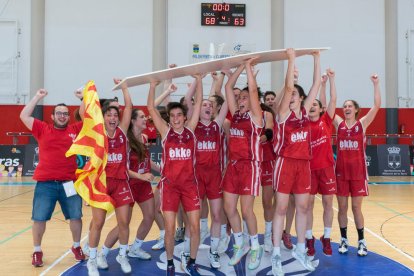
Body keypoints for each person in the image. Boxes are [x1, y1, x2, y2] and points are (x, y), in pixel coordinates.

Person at [20, 89, 85, 267]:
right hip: (46, 184)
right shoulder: (42, 129)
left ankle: (77, 246)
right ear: (53, 116)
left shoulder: (75, 130)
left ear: (68, 117)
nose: (62, 116)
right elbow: (24, 115)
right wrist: (37, 97)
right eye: (59, 113)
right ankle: (37, 250)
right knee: (39, 218)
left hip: (69, 183)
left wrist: (83, 98)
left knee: (76, 216)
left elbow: (89, 117)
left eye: (65, 113)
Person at [147, 75, 203, 276]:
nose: (177, 118)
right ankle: (170, 263)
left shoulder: (191, 131)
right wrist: (153, 86)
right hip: (169, 186)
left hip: (190, 186)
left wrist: (199, 79)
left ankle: (192, 262)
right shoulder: (166, 131)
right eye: (173, 116)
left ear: (184, 117)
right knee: (170, 229)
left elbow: (197, 106)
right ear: (169, 119)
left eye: (180, 115)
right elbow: (151, 109)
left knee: (195, 227)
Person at [271, 49, 320, 275]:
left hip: (303, 165)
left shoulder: (304, 112)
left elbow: (316, 85)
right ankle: (276, 253)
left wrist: (316, 57)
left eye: (294, 96)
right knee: (281, 208)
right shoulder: (282, 113)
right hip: (285, 163)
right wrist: (291, 60)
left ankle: (301, 249)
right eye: (289, 96)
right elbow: (289, 87)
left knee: (303, 207)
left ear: (301, 100)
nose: (290, 98)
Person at [86, 79, 133, 276]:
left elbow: (129, 106)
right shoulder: (98, 135)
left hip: (121, 182)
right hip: (101, 185)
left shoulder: (122, 131)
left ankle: (122, 254)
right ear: (103, 117)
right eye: (109, 115)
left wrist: (123, 86)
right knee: (97, 223)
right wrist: (88, 97)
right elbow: (84, 114)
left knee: (124, 222)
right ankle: (92, 260)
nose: (113, 118)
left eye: (115, 115)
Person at [222, 58, 264, 270]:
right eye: (240, 98)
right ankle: (240, 244)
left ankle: (255, 246)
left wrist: (248, 67)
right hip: (233, 166)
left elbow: (254, 91)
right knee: (229, 208)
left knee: (246, 211)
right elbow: (229, 86)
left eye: (245, 98)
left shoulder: (256, 117)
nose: (241, 100)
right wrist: (238, 68)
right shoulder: (236, 115)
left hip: (250, 166)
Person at [334, 74, 381, 257]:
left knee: (356, 208)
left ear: (355, 110)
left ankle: (362, 241)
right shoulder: (338, 124)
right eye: (344, 106)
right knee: (342, 208)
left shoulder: (362, 124)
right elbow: (328, 105)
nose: (346, 108)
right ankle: (344, 239)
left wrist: (376, 84)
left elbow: (376, 105)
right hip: (341, 173)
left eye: (349, 106)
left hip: (358, 173)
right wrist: (328, 81)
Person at [194, 92, 228, 268]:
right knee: (195, 215)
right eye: (204, 104)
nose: (207, 107)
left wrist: (231, 75)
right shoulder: (192, 126)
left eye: (210, 105)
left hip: (214, 175)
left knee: (216, 214)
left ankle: (213, 251)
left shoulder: (217, 125)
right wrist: (198, 79)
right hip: (197, 175)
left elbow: (228, 100)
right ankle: (189, 249)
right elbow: (187, 99)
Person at [305, 69, 337, 256]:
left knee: (327, 203)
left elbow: (332, 101)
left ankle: (326, 237)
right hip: (308, 170)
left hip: (326, 169)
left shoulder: (326, 121)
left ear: (320, 109)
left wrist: (330, 80)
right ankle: (309, 239)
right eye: (311, 104)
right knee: (308, 205)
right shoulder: (302, 123)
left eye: (316, 104)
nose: (312, 106)